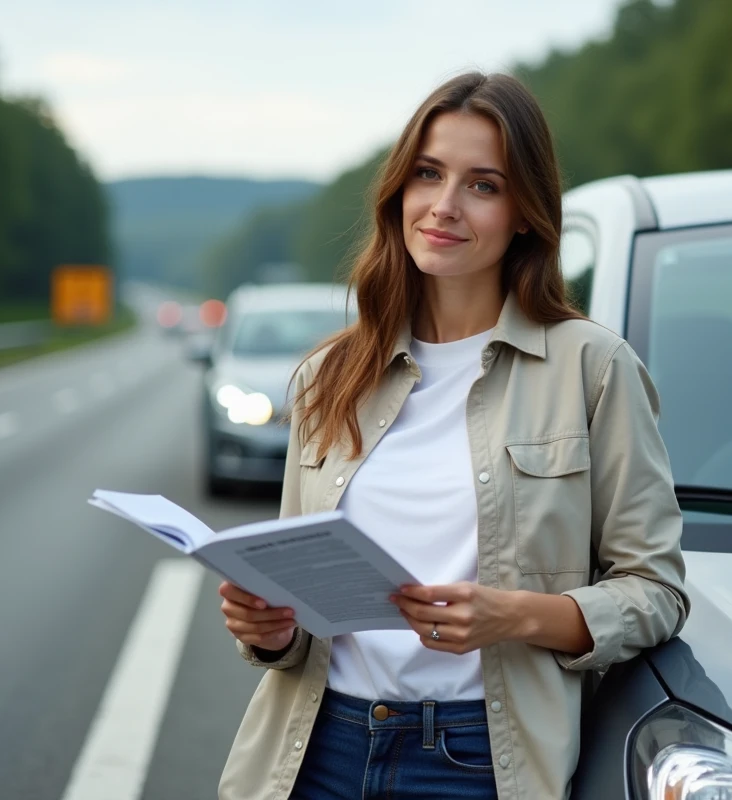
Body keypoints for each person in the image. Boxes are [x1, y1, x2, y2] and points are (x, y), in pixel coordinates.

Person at [217, 71, 689, 800]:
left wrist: (521, 614)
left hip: (478, 760)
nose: (443, 206)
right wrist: (270, 630)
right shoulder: (328, 375)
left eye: (483, 185)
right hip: (318, 752)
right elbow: (299, 599)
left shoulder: (593, 369)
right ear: (399, 190)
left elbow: (656, 590)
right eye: (428, 174)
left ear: (525, 213)